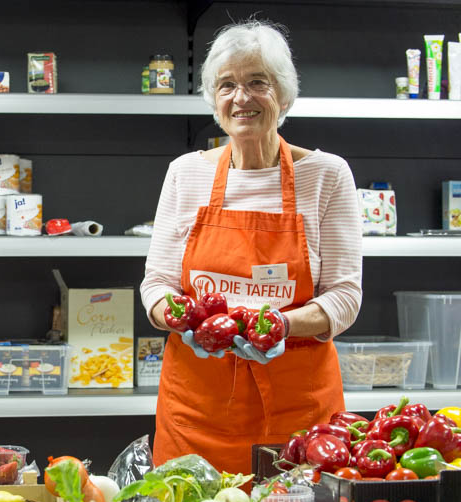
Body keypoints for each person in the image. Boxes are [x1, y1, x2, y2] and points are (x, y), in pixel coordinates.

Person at [141, 20, 362, 474]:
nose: (241, 98)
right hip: (197, 409)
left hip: (299, 412)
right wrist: (181, 318)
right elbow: (157, 284)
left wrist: (280, 325)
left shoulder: (326, 175)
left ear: (282, 95)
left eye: (257, 82)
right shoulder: (186, 173)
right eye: (226, 85)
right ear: (213, 99)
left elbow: (345, 295)